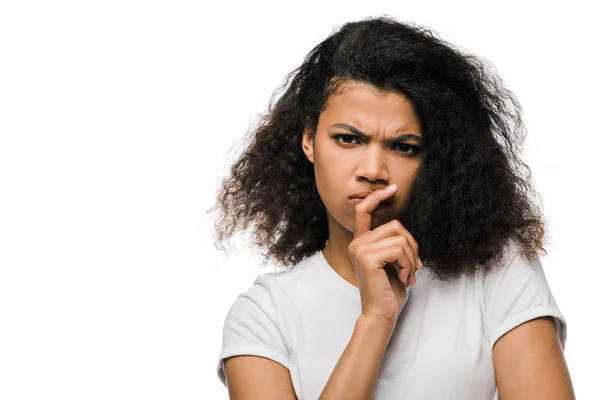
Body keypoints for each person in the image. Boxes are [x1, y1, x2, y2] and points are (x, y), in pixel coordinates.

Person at [208, 16, 575, 399]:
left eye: (404, 147)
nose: (372, 171)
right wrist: (375, 320)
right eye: (348, 139)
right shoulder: (264, 315)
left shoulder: (496, 269)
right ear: (309, 141)